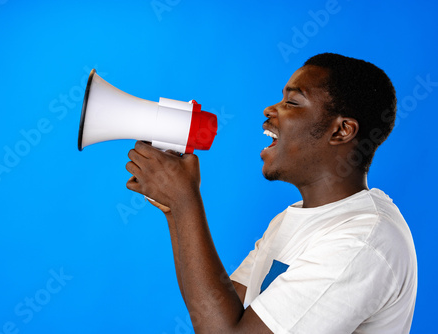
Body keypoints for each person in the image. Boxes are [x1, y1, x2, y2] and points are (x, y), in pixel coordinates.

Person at [125, 53, 417, 334]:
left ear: (341, 131)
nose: (270, 109)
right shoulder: (293, 219)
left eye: (292, 101)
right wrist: (173, 207)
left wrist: (184, 203)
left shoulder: (362, 242)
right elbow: (222, 312)